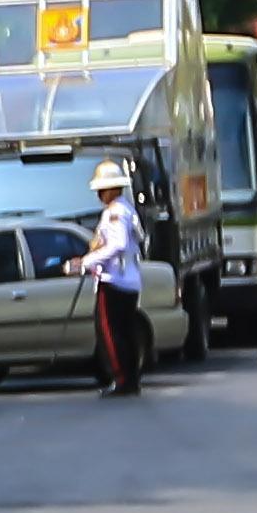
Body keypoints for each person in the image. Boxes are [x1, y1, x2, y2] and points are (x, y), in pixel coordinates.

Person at [88, 159, 154, 393]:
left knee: (110, 333)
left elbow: (117, 245)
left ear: (110, 189)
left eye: (100, 190)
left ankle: (122, 378)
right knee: (125, 331)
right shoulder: (127, 209)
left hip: (114, 281)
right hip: (128, 280)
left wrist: (87, 261)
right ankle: (130, 378)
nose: (99, 195)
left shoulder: (115, 213)